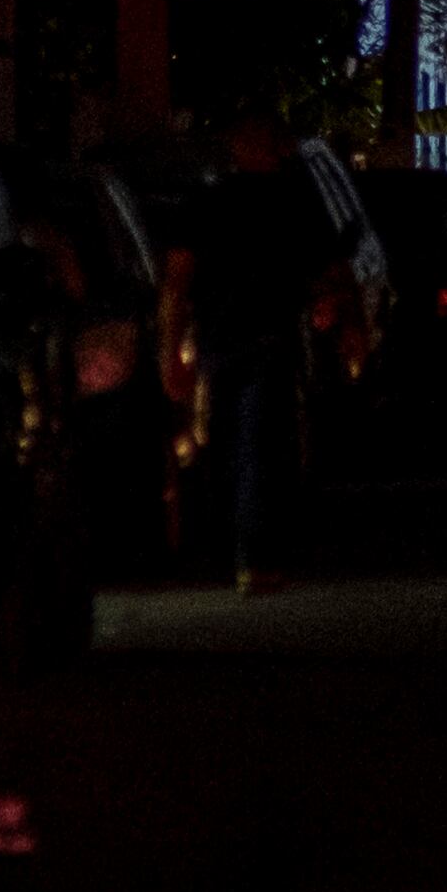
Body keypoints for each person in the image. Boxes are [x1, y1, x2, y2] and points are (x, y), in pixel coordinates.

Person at [156, 117, 334, 592]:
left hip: (223, 342)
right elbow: (328, 271)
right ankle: (252, 555)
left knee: (231, 445)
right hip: (267, 341)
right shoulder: (292, 204)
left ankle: (237, 551)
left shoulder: (207, 203)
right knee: (259, 447)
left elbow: (176, 283)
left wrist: (171, 350)